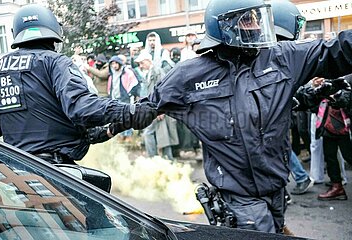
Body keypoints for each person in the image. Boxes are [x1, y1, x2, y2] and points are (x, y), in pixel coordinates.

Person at [109, 0, 352, 234]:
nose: (256, 26)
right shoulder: (189, 75)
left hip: (276, 191)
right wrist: (100, 129)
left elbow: (335, 50)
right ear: (225, 26)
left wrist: (321, 90)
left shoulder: (282, 57)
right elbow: (143, 109)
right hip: (240, 200)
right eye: (248, 20)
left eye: (258, 19)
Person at [0, 4, 157, 164]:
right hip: (53, 170)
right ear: (53, 30)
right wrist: (130, 111)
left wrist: (109, 129)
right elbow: (81, 107)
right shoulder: (54, 62)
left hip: (16, 171)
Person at [134, 50, 179, 160]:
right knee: (161, 135)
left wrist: (161, 109)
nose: (140, 65)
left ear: (148, 61)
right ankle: (163, 159)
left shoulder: (157, 71)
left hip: (159, 109)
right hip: (155, 109)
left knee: (157, 134)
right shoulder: (150, 72)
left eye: (142, 62)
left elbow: (164, 90)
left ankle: (156, 159)